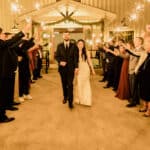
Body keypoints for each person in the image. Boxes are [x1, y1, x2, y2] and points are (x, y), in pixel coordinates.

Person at [0, 24, 30, 123]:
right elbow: (11, 42)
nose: (4, 35)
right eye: (3, 34)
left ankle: (3, 113)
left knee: (4, 93)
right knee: (2, 94)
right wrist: (22, 32)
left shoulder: (3, 43)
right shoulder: (1, 43)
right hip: (2, 72)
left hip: (5, 71)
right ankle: (1, 116)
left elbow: (12, 43)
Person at [55, 32, 79, 109]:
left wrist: (76, 67)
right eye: (64, 35)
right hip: (62, 69)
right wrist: (60, 61)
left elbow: (76, 57)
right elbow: (56, 56)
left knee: (70, 84)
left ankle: (70, 102)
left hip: (71, 68)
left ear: (69, 36)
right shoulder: (59, 45)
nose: (66, 36)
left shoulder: (74, 46)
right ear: (63, 36)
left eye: (67, 35)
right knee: (64, 83)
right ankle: (65, 96)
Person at [74, 39, 95, 106]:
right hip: (78, 69)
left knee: (86, 84)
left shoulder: (86, 51)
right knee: (79, 84)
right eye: (79, 44)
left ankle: (86, 100)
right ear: (77, 45)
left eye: (82, 44)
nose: (80, 45)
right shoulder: (75, 52)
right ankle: (79, 99)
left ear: (83, 45)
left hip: (85, 69)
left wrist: (92, 69)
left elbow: (89, 61)